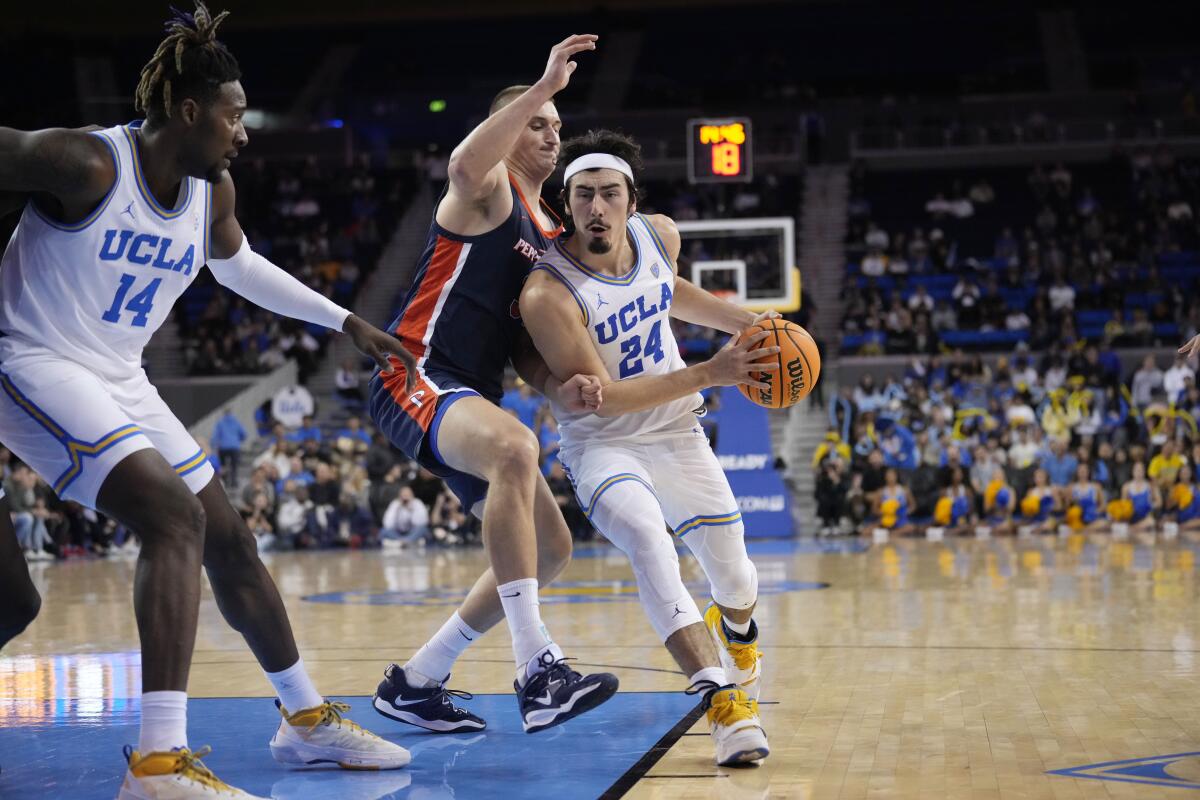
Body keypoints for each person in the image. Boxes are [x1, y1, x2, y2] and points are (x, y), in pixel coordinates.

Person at [0, 6, 414, 796]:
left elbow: (240, 268)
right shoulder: (88, 163)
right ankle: (158, 763)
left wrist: (346, 319)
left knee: (227, 535)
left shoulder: (209, 190)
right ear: (188, 112)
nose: (243, 132)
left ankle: (303, 721)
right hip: (31, 360)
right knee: (171, 517)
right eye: (232, 116)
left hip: (118, 372)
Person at [369, 35, 620, 736]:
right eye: (537, 123)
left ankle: (416, 681)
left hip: (470, 390)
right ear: (510, 127)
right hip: (413, 370)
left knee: (555, 546)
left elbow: (519, 348)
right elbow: (461, 159)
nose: (550, 132)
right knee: (515, 448)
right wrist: (541, 88)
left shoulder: (550, 234)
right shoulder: (486, 189)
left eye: (556, 127)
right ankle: (536, 668)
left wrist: (554, 386)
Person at [519, 129, 775, 765]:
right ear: (567, 203)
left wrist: (750, 324)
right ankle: (720, 700)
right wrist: (711, 373)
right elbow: (603, 397)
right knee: (648, 540)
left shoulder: (659, 236)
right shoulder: (547, 293)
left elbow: (668, 292)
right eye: (583, 196)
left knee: (735, 573)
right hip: (604, 444)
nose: (596, 207)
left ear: (632, 201)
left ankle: (739, 629)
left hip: (676, 432)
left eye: (609, 193)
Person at [211, 406, 246, 485]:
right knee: (234, 465)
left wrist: (213, 445)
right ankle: (233, 481)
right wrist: (238, 440)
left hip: (223, 448)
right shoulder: (236, 422)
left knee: (223, 465)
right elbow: (244, 434)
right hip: (234, 447)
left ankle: (225, 481)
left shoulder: (220, 423)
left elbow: (215, 436)